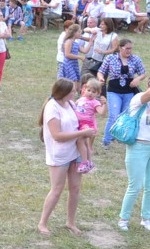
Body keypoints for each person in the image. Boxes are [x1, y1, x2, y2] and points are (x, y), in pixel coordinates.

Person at [38, 78, 94, 235]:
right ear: (62, 92)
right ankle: (42, 223)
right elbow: (57, 135)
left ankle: (70, 222)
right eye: (72, 91)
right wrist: (82, 133)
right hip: (60, 154)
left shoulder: (70, 103)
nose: (75, 92)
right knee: (57, 189)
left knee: (75, 188)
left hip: (75, 152)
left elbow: (78, 122)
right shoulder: (52, 108)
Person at [73, 79, 105, 174]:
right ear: (84, 89)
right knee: (85, 143)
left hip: (87, 125)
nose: (90, 93)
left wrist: (105, 104)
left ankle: (84, 162)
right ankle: (89, 162)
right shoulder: (81, 99)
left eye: (94, 92)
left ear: (98, 93)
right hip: (79, 124)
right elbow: (73, 107)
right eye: (89, 90)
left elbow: (102, 112)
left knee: (80, 141)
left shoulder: (95, 102)